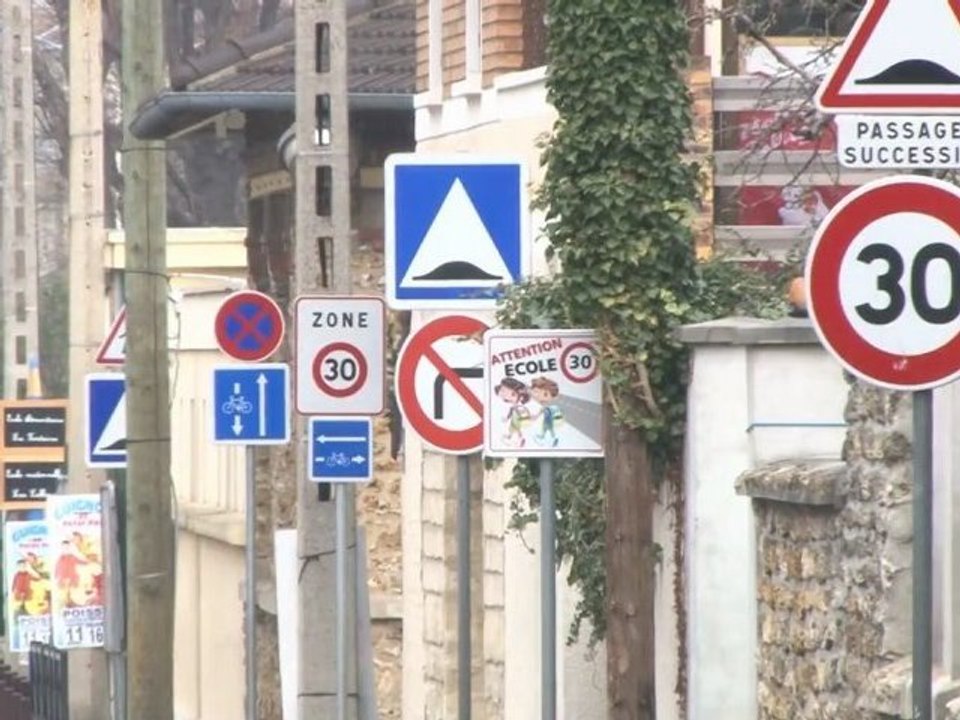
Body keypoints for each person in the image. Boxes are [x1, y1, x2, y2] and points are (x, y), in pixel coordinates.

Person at [494, 377, 530, 447]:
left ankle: (519, 439)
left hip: (518, 417)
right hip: (515, 417)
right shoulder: (513, 406)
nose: (505, 395)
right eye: (503, 391)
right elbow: (511, 411)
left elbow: (520, 412)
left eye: (513, 394)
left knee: (515, 428)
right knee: (513, 428)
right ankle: (511, 436)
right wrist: (507, 418)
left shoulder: (519, 406)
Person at [530, 377, 562, 447]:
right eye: (535, 391)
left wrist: (536, 417)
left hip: (548, 422)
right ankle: (545, 437)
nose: (537, 394)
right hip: (546, 422)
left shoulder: (546, 406)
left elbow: (542, 412)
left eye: (545, 395)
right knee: (546, 430)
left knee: (549, 430)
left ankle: (552, 439)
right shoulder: (536, 403)